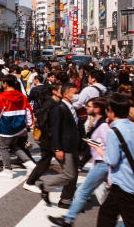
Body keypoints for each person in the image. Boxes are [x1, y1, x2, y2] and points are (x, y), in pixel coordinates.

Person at [50, 97, 110, 227]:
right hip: (100, 164)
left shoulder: (104, 125)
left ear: (98, 109)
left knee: (82, 192)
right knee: (105, 199)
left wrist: (90, 143)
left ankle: (68, 220)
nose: (86, 108)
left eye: (89, 106)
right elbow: (99, 143)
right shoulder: (98, 122)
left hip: (103, 164)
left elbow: (107, 147)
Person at [97, 92, 134, 227]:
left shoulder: (114, 131)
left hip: (123, 181)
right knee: (108, 212)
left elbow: (111, 160)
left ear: (110, 110)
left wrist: (99, 150)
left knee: (131, 219)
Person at [37, 83, 81, 207]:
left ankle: (66, 200)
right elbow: (55, 130)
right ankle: (46, 185)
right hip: (64, 146)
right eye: (74, 93)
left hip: (73, 144)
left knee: (73, 174)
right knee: (70, 174)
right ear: (66, 94)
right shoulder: (59, 108)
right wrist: (57, 148)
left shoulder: (71, 107)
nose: (77, 95)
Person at [0, 75, 34, 177]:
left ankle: (8, 170)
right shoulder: (22, 96)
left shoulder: (3, 96)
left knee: (3, 147)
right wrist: (27, 125)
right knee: (14, 146)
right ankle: (29, 163)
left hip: (7, 126)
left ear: (5, 83)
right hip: (19, 126)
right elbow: (28, 111)